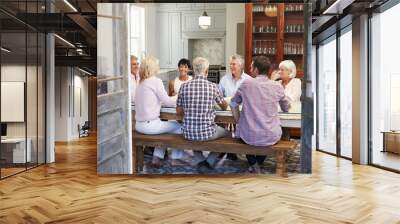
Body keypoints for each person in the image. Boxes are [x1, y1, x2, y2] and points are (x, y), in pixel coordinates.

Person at [230, 56, 290, 173]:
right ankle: (257, 164)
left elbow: (233, 103)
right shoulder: (277, 86)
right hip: (271, 135)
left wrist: (238, 121)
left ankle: (254, 164)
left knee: (245, 134)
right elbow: (286, 107)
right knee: (265, 137)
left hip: (248, 134)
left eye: (252, 66)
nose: (250, 69)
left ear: (256, 70)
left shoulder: (246, 84)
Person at [176, 57, 230, 173]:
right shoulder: (212, 86)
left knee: (194, 135)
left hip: (187, 132)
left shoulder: (184, 87)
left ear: (193, 70)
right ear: (206, 71)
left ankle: (200, 160)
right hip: (207, 132)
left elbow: (179, 112)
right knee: (228, 135)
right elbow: (224, 106)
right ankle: (209, 161)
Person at [134, 56, 185, 167]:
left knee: (164, 128)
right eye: (157, 65)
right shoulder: (156, 81)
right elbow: (168, 102)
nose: (158, 67)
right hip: (150, 126)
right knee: (179, 126)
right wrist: (179, 96)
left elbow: (147, 101)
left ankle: (157, 158)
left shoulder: (140, 83)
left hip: (138, 126)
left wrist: (157, 102)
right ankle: (176, 159)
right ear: (152, 68)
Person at [217, 54, 251, 161]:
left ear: (241, 66)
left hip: (242, 110)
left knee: (240, 124)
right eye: (230, 64)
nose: (231, 66)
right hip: (226, 109)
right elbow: (219, 95)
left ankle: (235, 149)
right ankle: (223, 148)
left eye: (234, 64)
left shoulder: (248, 80)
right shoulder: (224, 79)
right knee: (220, 122)